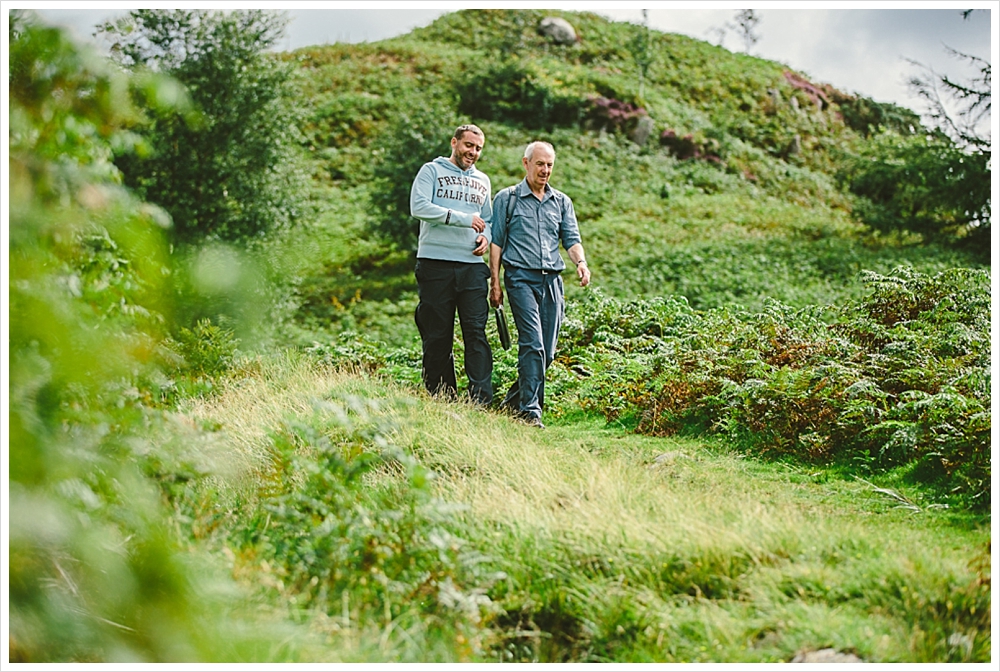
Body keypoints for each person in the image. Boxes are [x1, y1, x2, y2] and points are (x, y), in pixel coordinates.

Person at [489, 141, 591, 428]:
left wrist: (580, 264)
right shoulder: (507, 199)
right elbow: (496, 243)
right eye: (540, 164)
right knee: (532, 343)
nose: (545, 170)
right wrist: (495, 283)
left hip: (553, 281)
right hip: (520, 278)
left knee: (547, 351)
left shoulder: (562, 202)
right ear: (526, 163)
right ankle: (530, 411)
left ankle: (512, 402)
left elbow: (571, 239)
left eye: (549, 165)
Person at [410, 124, 494, 404]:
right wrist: (462, 218)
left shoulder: (483, 180)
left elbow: (488, 220)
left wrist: (485, 236)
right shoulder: (431, 171)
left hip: (471, 266)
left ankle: (480, 399)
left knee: (476, 332)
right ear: (454, 142)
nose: (473, 152)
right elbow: (418, 207)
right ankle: (441, 396)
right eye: (468, 145)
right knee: (437, 334)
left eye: (478, 148)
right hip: (435, 264)